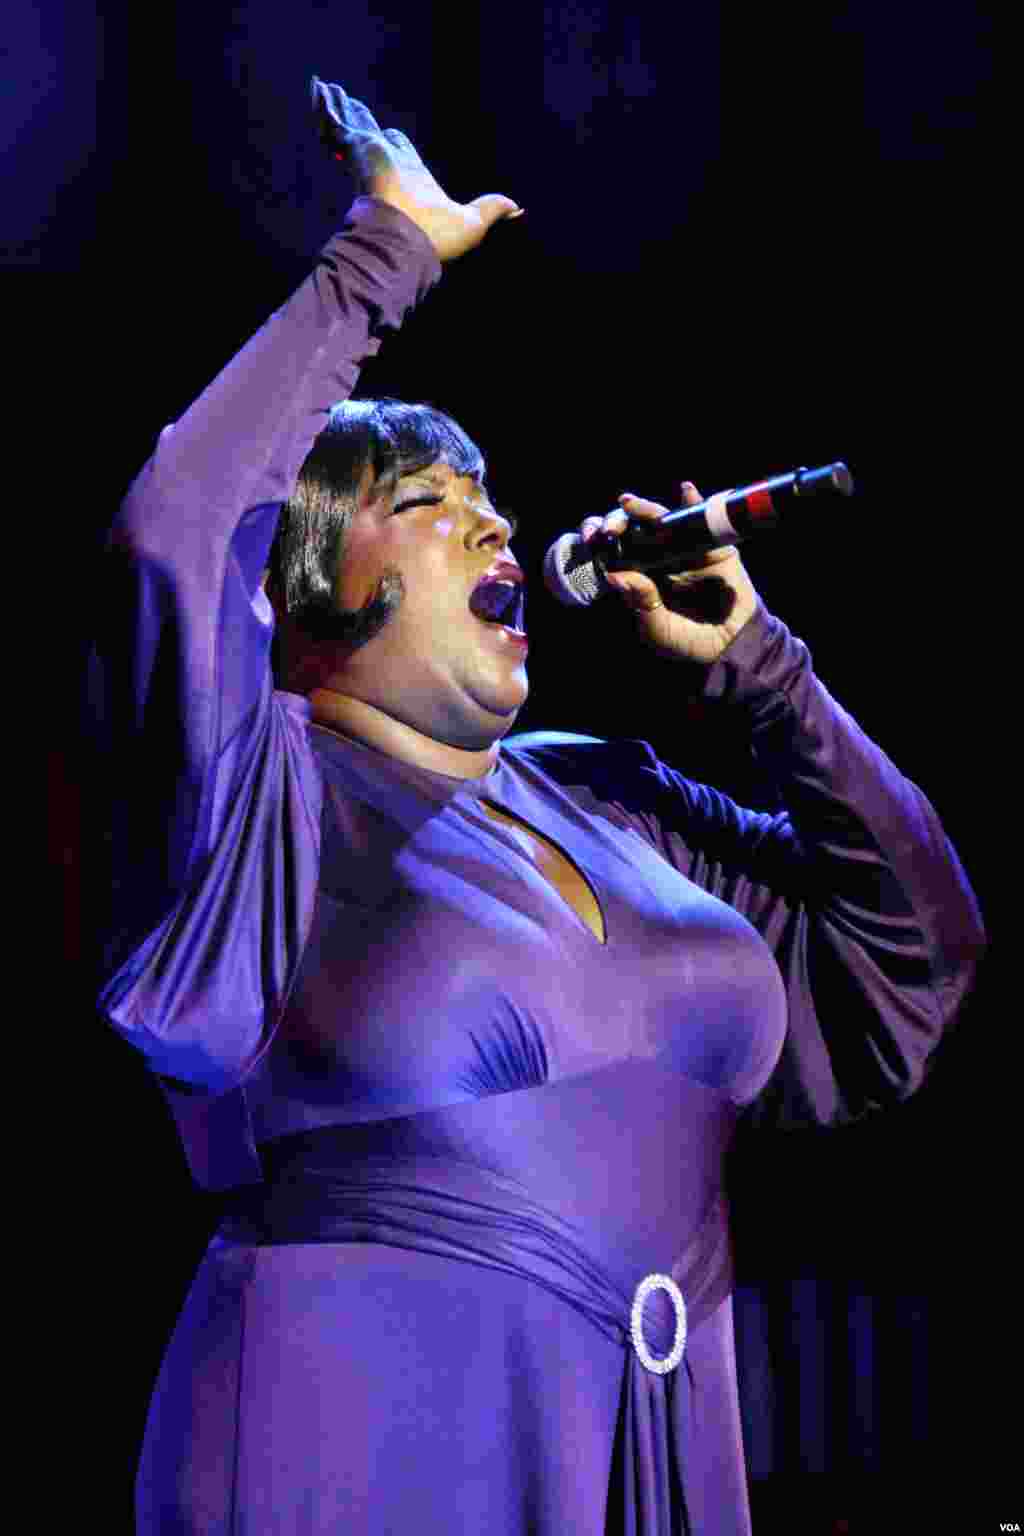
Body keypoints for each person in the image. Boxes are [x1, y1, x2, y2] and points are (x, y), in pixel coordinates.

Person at [90, 80, 985, 1536]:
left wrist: (766, 673)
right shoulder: (261, 789)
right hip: (358, 1433)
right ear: (307, 583)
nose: (494, 523)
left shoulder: (606, 793)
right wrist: (384, 253)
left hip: (651, 1449)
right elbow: (176, 530)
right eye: (430, 505)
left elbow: (915, 956)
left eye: (490, 498)